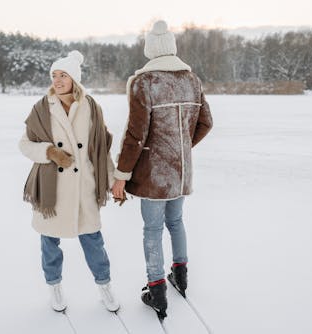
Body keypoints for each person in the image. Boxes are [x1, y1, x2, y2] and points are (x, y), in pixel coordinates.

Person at [111, 20, 213, 319]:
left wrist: (121, 175)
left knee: (153, 229)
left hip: (153, 175)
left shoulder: (146, 82)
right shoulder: (191, 80)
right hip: (180, 172)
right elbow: (206, 122)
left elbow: (135, 135)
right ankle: (180, 276)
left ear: (150, 50)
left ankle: (156, 290)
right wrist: (181, 149)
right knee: (176, 222)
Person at [19, 50, 120, 312]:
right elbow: (24, 144)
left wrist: (113, 182)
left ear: (74, 79)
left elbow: (100, 151)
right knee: (49, 244)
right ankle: (54, 287)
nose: (57, 80)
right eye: (54, 75)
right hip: (52, 191)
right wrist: (49, 152)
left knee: (94, 242)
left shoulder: (91, 107)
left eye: (63, 75)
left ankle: (104, 286)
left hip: (84, 186)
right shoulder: (42, 108)